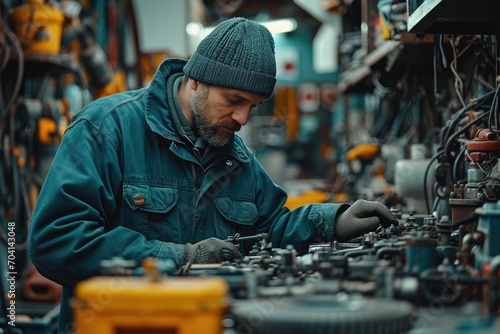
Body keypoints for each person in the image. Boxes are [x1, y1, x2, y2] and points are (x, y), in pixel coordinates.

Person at [28, 17, 399, 333]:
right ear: (195, 82)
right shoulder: (107, 130)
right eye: (234, 100)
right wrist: (181, 257)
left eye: (252, 106)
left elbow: (270, 230)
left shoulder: (235, 158)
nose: (243, 119)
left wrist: (331, 219)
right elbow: (56, 242)